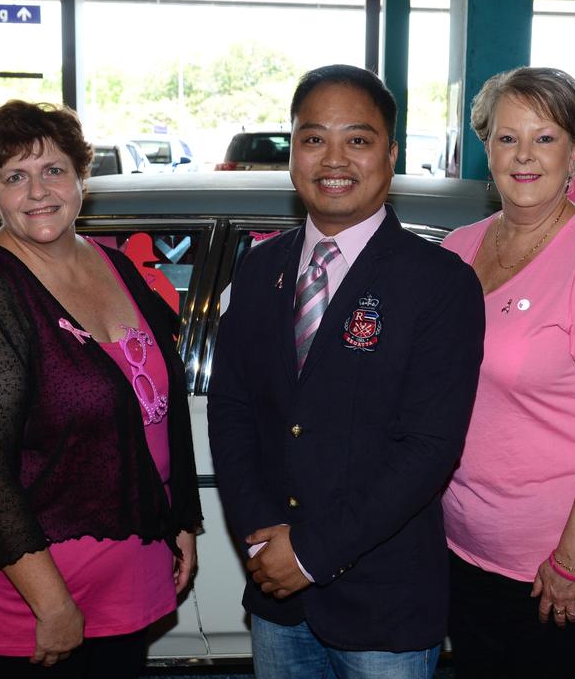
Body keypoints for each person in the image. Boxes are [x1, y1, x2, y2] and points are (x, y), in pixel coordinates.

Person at [0, 100, 202, 677]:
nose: (38, 191)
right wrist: (51, 602)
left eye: (53, 170)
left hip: (126, 556)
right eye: (15, 176)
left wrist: (179, 518)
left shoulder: (110, 264)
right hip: (29, 582)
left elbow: (160, 412)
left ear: (81, 179)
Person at [208, 64, 485, 679]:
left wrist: (308, 554)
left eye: (357, 139)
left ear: (390, 153)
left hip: (384, 602)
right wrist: (259, 532)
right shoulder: (258, 271)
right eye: (313, 138)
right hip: (277, 595)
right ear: (293, 152)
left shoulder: (439, 283)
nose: (334, 158)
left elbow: (429, 448)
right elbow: (231, 410)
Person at [441, 67, 575, 678]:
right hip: (464, 547)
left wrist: (572, 558)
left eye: (545, 137)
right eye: (508, 139)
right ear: (486, 149)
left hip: (552, 565)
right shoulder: (458, 250)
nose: (525, 156)